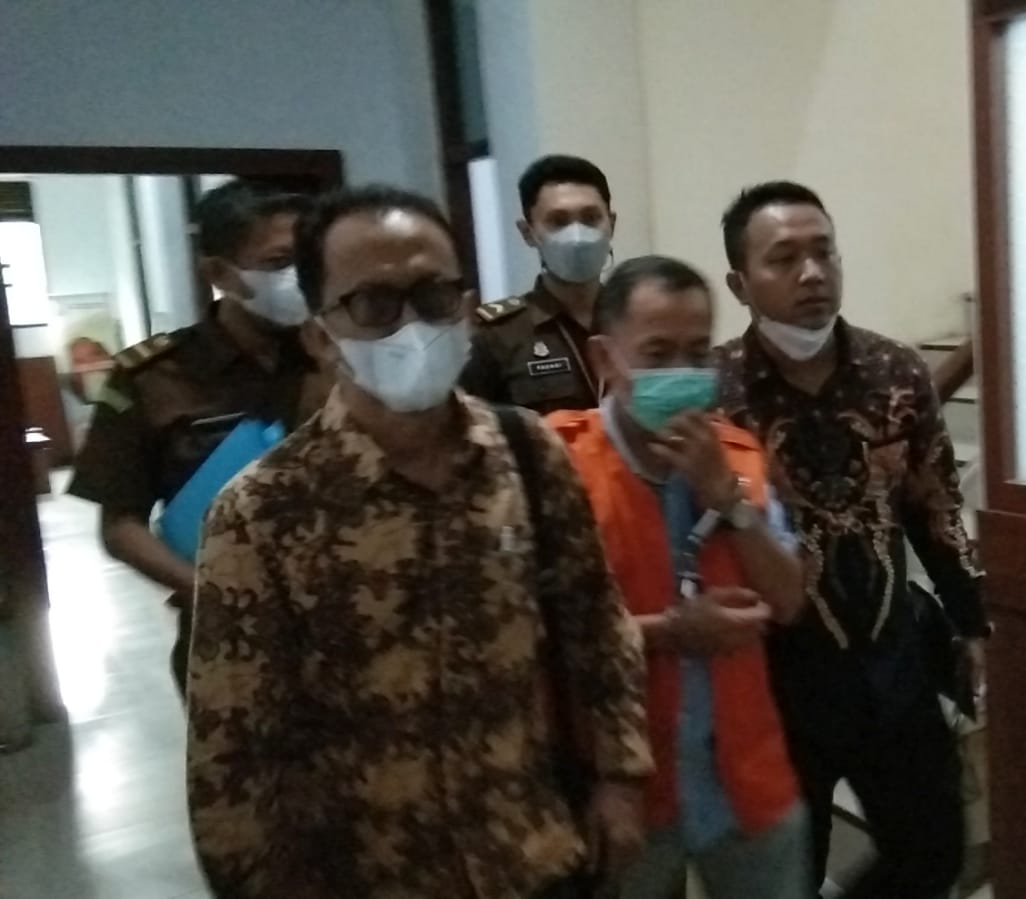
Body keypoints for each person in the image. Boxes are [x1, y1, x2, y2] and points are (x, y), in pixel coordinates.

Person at [185, 185, 653, 898]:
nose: (413, 325)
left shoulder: (528, 451)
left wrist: (621, 778)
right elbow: (234, 754)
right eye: (374, 304)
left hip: (538, 855)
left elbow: (597, 624)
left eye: (434, 296)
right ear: (320, 335)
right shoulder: (261, 511)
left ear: (465, 308)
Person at [713, 181, 990, 899]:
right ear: (740, 283)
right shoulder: (715, 390)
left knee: (933, 853)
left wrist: (971, 623)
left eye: (824, 252)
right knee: (784, 876)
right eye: (784, 259)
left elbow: (936, 506)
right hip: (774, 680)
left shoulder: (893, 371)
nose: (811, 273)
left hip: (891, 659)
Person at [547, 255, 811, 899]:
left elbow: (788, 601)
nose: (681, 373)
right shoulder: (556, 465)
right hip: (623, 791)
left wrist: (727, 499)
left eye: (697, 353)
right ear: (606, 358)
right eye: (657, 353)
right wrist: (669, 632)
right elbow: (531, 636)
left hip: (746, 784)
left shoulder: (738, 455)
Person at [67, 178, 327, 690]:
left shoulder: (340, 353)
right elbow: (120, 526)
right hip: (229, 638)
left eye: (309, 260)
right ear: (218, 273)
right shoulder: (153, 377)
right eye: (279, 262)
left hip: (348, 617)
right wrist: (210, 595)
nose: (300, 277)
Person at [461, 154, 616, 412]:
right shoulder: (496, 335)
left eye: (590, 218)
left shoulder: (634, 320)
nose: (577, 236)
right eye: (558, 221)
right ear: (528, 233)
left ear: (611, 224)